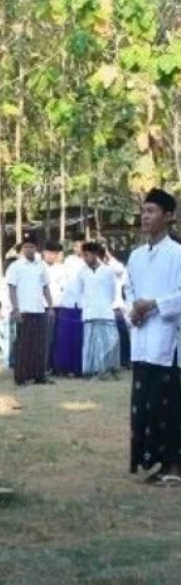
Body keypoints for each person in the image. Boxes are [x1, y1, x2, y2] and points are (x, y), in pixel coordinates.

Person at [127, 188, 181, 485]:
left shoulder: (177, 254)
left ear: (169, 216)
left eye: (152, 211)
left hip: (169, 341)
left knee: (169, 404)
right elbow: (128, 290)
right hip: (142, 339)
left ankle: (174, 465)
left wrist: (156, 304)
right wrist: (133, 310)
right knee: (145, 403)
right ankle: (155, 460)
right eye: (144, 211)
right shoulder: (135, 256)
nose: (145, 216)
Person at [6, 234, 53, 386]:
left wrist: (50, 306)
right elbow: (12, 288)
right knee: (23, 346)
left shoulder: (41, 265)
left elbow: (46, 287)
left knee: (39, 345)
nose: (29, 249)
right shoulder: (16, 266)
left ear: (36, 248)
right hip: (24, 310)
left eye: (32, 246)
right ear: (22, 249)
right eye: (26, 247)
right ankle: (21, 377)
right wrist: (15, 309)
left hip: (39, 309)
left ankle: (39, 375)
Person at [76, 243, 120, 379]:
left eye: (87, 255)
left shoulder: (108, 271)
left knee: (110, 342)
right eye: (83, 255)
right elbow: (79, 292)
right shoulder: (82, 272)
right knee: (91, 344)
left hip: (105, 311)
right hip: (89, 313)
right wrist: (84, 305)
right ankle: (91, 371)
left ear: (95, 254)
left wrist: (109, 304)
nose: (85, 258)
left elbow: (113, 292)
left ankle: (109, 369)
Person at [47, 239, 82, 377]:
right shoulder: (67, 263)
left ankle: (70, 367)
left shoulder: (83, 264)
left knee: (69, 339)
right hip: (59, 305)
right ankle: (54, 366)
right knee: (55, 338)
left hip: (74, 305)